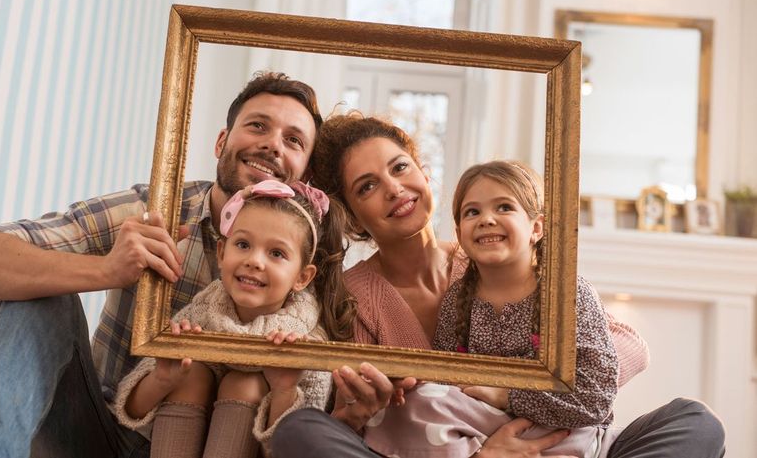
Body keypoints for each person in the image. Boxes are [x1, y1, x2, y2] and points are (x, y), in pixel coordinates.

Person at [0, 72, 354, 458]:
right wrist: (107, 271)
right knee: (44, 299)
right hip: (102, 431)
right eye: (257, 125)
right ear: (222, 141)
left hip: (230, 440)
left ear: (305, 176)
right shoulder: (153, 211)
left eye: (294, 140)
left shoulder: (311, 263)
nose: (272, 144)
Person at [271, 114, 725, 458]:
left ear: (424, 173)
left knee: (695, 422)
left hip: (553, 437)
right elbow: (371, 422)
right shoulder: (352, 298)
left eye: (400, 167)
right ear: (351, 214)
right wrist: (361, 410)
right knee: (303, 433)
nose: (393, 188)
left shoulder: (496, 255)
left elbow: (626, 346)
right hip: (439, 448)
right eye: (368, 186)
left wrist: (527, 396)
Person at [364, 161, 619, 458]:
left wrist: (505, 395)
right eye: (472, 212)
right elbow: (446, 383)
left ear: (536, 227)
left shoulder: (568, 294)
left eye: (503, 208)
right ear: (459, 233)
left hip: (561, 430)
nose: (486, 219)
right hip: (480, 429)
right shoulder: (458, 299)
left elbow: (596, 397)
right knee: (415, 401)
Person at [114, 180, 341, 458]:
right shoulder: (202, 313)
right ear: (222, 253)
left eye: (277, 253)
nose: (255, 261)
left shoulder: (307, 343)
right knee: (190, 373)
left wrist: (284, 390)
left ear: (302, 277)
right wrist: (162, 378)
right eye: (243, 244)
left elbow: (296, 450)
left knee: (244, 383)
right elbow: (131, 410)